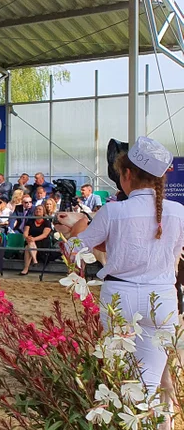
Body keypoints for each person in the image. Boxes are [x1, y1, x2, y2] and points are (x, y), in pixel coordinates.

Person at [66, 137, 184, 405]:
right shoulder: (178, 211)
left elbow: (74, 250)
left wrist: (80, 229)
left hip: (119, 299)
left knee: (118, 376)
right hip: (163, 299)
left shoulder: (112, 211)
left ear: (127, 174)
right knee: (150, 384)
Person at [21, 204, 52, 276]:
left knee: (28, 246)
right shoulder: (30, 221)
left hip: (42, 242)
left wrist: (33, 239)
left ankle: (26, 268)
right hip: (30, 241)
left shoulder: (47, 222)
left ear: (43, 212)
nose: (38, 210)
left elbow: (45, 235)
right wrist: (27, 237)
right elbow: (25, 233)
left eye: (40, 209)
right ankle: (34, 260)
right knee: (28, 245)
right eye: (36, 209)